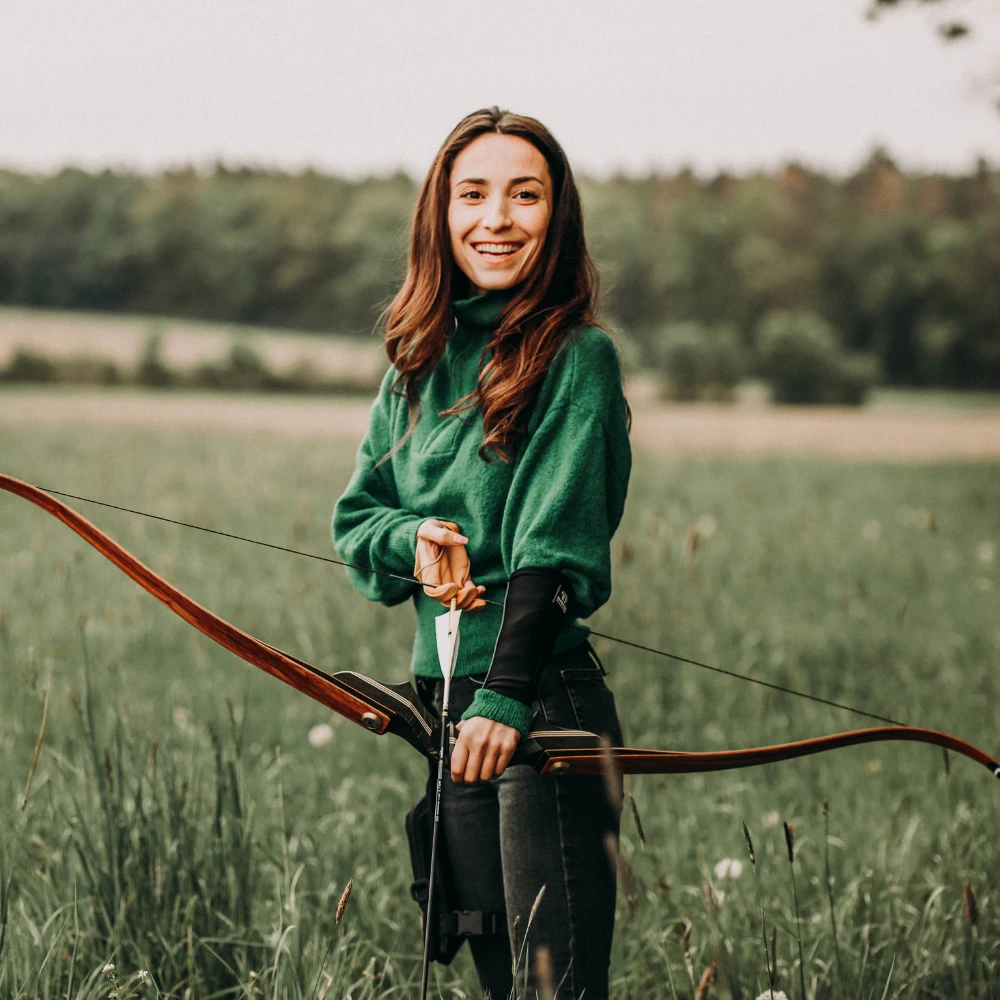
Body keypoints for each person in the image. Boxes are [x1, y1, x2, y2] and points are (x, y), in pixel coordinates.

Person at [333, 106, 631, 1000]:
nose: (496, 218)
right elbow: (358, 522)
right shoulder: (415, 364)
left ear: (556, 216)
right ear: (441, 211)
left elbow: (553, 546)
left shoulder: (577, 357)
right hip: (449, 708)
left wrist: (503, 697)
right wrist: (413, 540)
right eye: (474, 193)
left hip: (535, 700)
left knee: (555, 988)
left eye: (524, 195)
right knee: (505, 986)